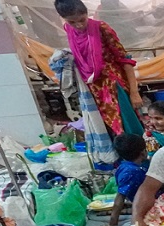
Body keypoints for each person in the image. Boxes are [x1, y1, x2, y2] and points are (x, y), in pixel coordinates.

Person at [53, 0, 143, 137]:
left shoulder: (101, 28)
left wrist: (134, 93)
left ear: (87, 13)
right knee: (104, 131)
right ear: (64, 19)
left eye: (82, 20)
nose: (79, 25)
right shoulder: (68, 29)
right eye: (72, 22)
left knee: (127, 129)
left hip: (112, 86)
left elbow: (125, 60)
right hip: (91, 88)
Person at [106, 133, 149, 226]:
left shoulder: (123, 167)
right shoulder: (132, 172)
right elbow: (120, 196)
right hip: (146, 207)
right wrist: (113, 221)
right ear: (143, 153)